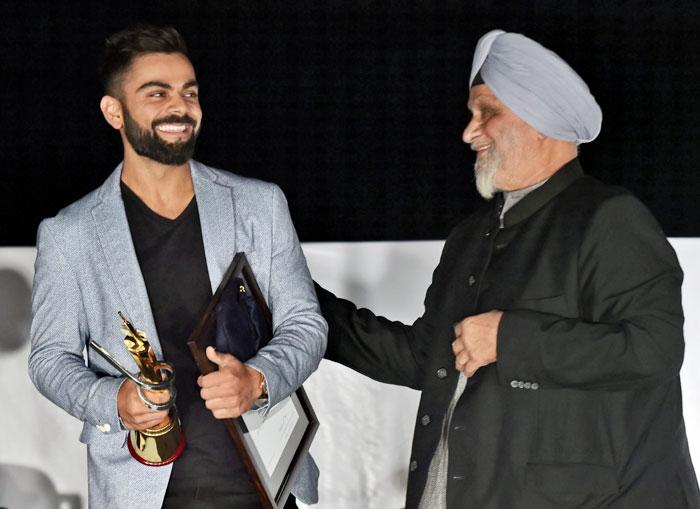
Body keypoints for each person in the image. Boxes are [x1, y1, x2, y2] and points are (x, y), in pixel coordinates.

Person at [315, 29, 700, 508]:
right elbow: (425, 358)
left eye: (487, 112)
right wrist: (299, 305)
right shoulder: (470, 237)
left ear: (540, 121)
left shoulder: (610, 217)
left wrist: (510, 339)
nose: (469, 131)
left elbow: (653, 349)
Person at [29, 24, 326, 509]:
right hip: (142, 491)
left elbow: (304, 324)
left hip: (263, 485)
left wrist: (259, 379)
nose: (180, 106)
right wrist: (113, 402)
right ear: (114, 111)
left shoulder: (259, 205)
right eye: (157, 92)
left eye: (190, 92)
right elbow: (49, 358)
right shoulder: (71, 234)